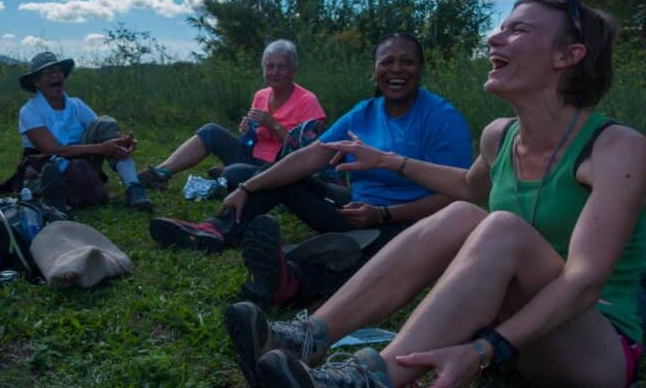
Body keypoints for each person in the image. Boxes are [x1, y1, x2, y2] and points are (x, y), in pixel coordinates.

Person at [225, 0, 645, 388]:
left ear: (568, 56)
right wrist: (388, 161)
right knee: (466, 214)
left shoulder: (617, 148)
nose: (494, 37)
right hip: (515, 335)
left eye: (518, 30)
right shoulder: (500, 136)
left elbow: (585, 281)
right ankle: (306, 338)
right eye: (500, 27)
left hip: (594, 350)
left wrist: (484, 349)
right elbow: (468, 186)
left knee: (499, 227)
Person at [150, 34, 472, 307]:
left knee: (374, 254)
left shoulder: (442, 118)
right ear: (374, 71)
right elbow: (307, 157)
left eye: (407, 62)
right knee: (280, 176)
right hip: (355, 208)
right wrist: (247, 188)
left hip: (407, 221)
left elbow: (456, 195)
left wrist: (384, 214)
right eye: (387, 62)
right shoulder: (364, 112)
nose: (396, 69)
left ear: (420, 68)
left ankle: (292, 278)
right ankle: (217, 231)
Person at [137, 39, 325, 189]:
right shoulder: (261, 95)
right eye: (270, 66)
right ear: (263, 69)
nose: (274, 72)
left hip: (280, 169)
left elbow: (309, 154)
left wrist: (273, 124)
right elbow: (252, 138)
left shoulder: (307, 101)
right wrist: (247, 128)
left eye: (281, 67)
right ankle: (161, 173)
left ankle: (230, 174)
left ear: (293, 70)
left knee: (234, 174)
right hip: (251, 156)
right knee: (210, 131)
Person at [7, 51, 152, 212]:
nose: (56, 76)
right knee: (52, 173)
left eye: (59, 71)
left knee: (106, 123)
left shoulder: (76, 105)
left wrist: (121, 142)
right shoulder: (30, 110)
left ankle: (134, 188)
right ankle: (54, 193)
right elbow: (50, 149)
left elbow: (102, 131)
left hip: (82, 162)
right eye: (49, 73)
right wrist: (100, 148)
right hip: (46, 164)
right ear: (37, 82)